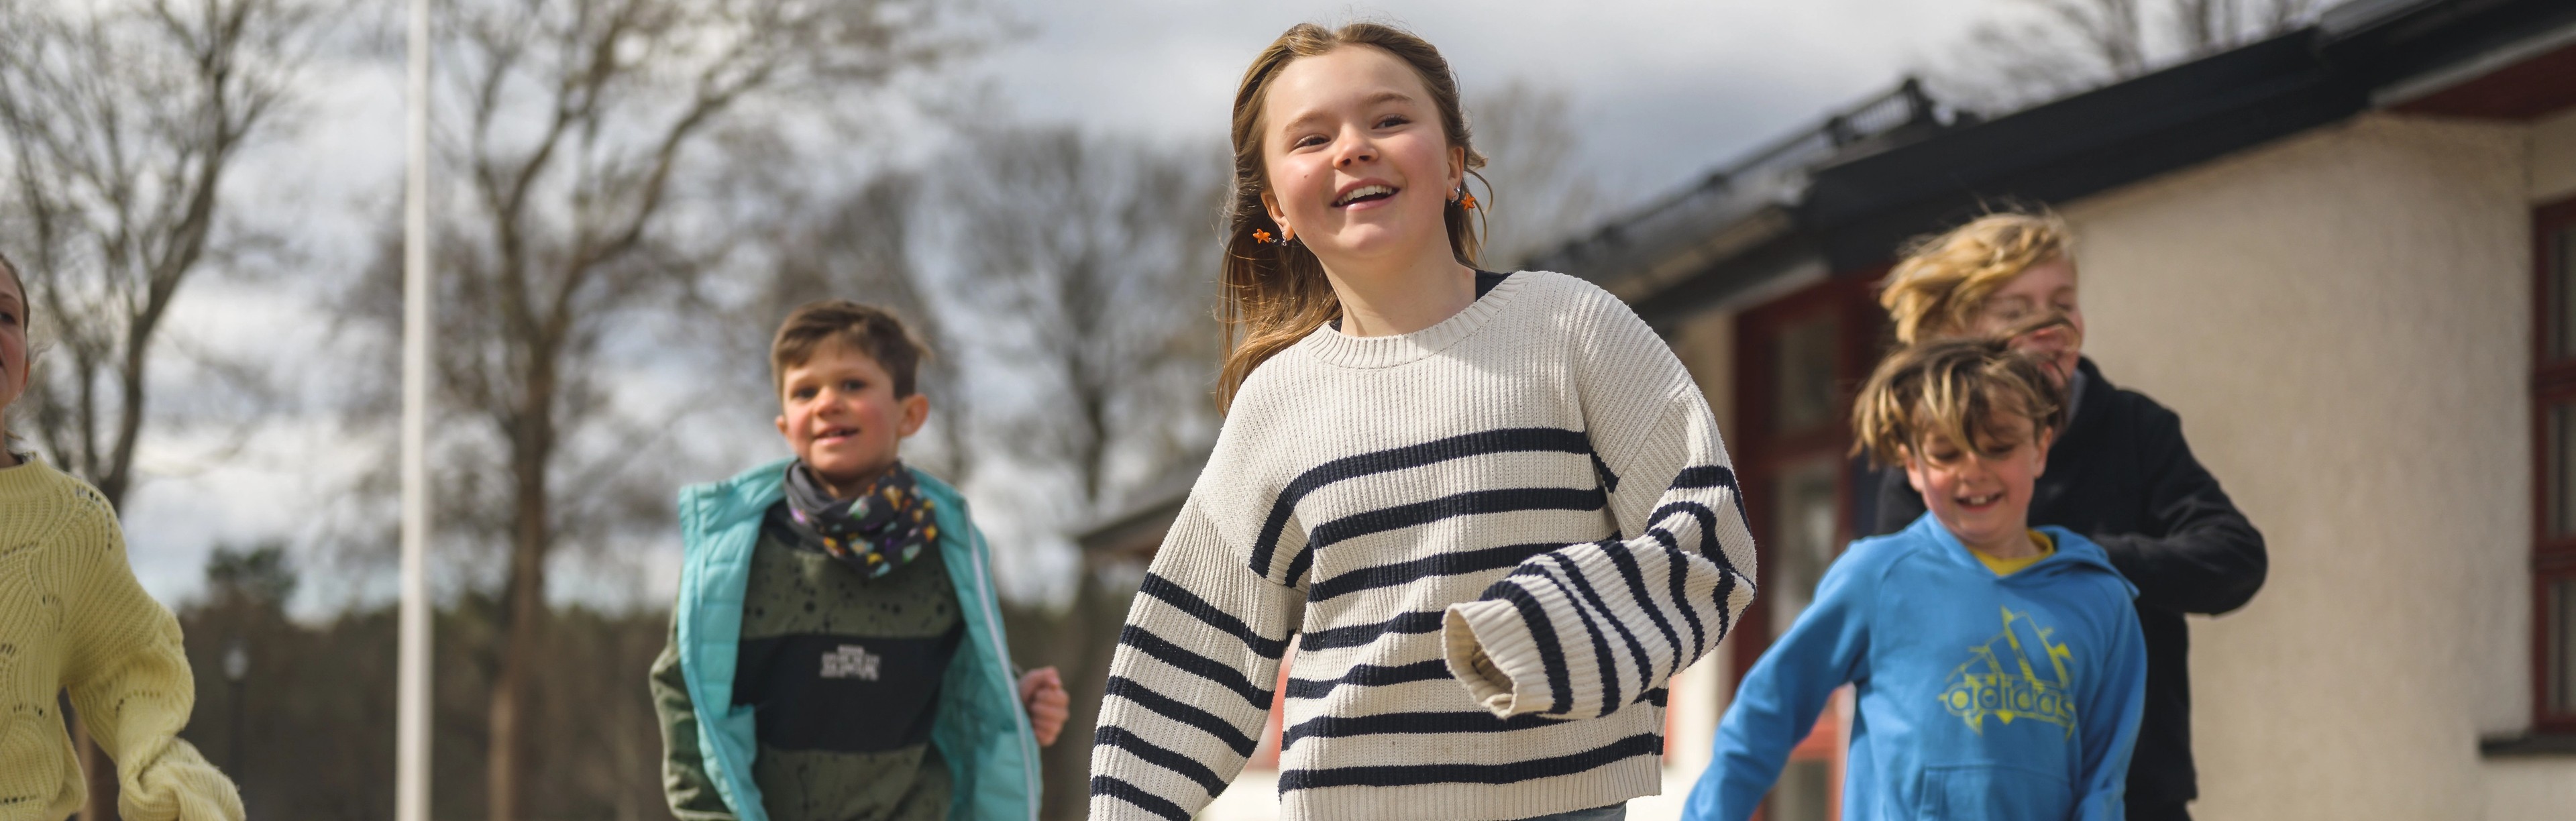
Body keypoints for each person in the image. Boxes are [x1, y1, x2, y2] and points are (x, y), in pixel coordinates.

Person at [1086, 22, 1757, 821]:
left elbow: (1711, 546)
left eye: (1389, 121)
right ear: (1277, 207)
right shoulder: (1276, 405)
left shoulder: (1573, 328)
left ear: (1454, 164)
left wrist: (1532, 637)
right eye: (1311, 138)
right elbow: (1194, 651)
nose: (1353, 148)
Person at [1867, 212, 2265, 821]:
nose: (2049, 326)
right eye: (2017, 310)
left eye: (2064, 303)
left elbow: (2234, 560)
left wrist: (2072, 557)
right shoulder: (1928, 452)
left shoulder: (2137, 428)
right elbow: (1896, 621)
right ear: (1959, 328)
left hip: (2138, 796)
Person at [1688, 335, 2148, 821]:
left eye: (1998, 446)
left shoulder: (2102, 598)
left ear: (2040, 448)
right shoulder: (1876, 578)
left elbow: (2104, 781)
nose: (1974, 470)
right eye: (1947, 453)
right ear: (1911, 463)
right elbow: (1768, 710)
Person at [649, 300, 1069, 821]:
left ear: (909, 414)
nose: (828, 402)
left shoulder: (945, 549)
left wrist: (1015, 698)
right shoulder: (736, 557)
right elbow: (686, 697)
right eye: (806, 391)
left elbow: (963, 677)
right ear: (785, 426)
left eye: (852, 385)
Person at [0, 250, 245, 821]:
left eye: (5, 317)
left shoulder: (72, 525)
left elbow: (133, 680)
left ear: (25, 372)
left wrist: (177, 792)